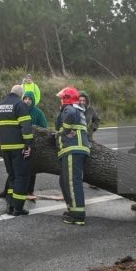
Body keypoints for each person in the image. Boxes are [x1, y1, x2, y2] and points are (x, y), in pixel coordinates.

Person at [0, 90, 47, 199]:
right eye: (26, 98)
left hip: (32, 144)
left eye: (30, 99)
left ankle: (29, 191)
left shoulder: (38, 113)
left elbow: (44, 128)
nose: (27, 101)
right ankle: (8, 192)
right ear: (22, 98)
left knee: (30, 170)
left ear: (33, 100)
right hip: (19, 144)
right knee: (14, 172)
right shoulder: (17, 107)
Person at [54, 86, 90, 226]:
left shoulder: (70, 109)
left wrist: (66, 129)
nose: (60, 102)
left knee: (72, 183)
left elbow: (65, 123)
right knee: (64, 181)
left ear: (66, 99)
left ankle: (77, 215)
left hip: (73, 149)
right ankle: (72, 209)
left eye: (62, 99)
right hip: (72, 149)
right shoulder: (76, 109)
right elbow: (59, 126)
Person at [0, 84, 34, 216]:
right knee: (21, 177)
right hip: (18, 148)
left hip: (5, 148)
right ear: (21, 95)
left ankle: (10, 206)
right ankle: (17, 208)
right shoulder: (20, 105)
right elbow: (26, 127)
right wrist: (28, 144)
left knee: (12, 176)